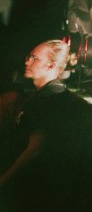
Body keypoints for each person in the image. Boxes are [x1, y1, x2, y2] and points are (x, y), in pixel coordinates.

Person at [0, 39, 75, 203]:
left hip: (30, 189)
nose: (27, 61)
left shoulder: (51, 97)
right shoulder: (41, 94)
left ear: (51, 65)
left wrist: (4, 181)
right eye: (29, 56)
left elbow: (35, 149)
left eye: (35, 58)